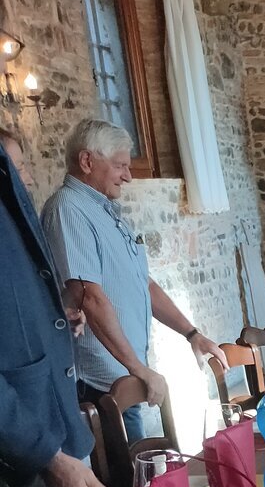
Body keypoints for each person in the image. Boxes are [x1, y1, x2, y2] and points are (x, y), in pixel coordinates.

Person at [41, 118, 228, 440]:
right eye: (120, 166)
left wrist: (192, 333)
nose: (128, 176)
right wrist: (139, 369)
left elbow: (145, 284)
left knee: (142, 467)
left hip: (123, 372)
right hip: (101, 383)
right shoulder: (68, 209)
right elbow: (90, 298)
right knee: (129, 470)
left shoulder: (104, 210)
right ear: (87, 161)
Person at [0, 139, 111, 487]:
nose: (27, 178)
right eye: (18, 167)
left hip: (44, 431)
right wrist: (46, 454)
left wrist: (53, 323)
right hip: (18, 450)